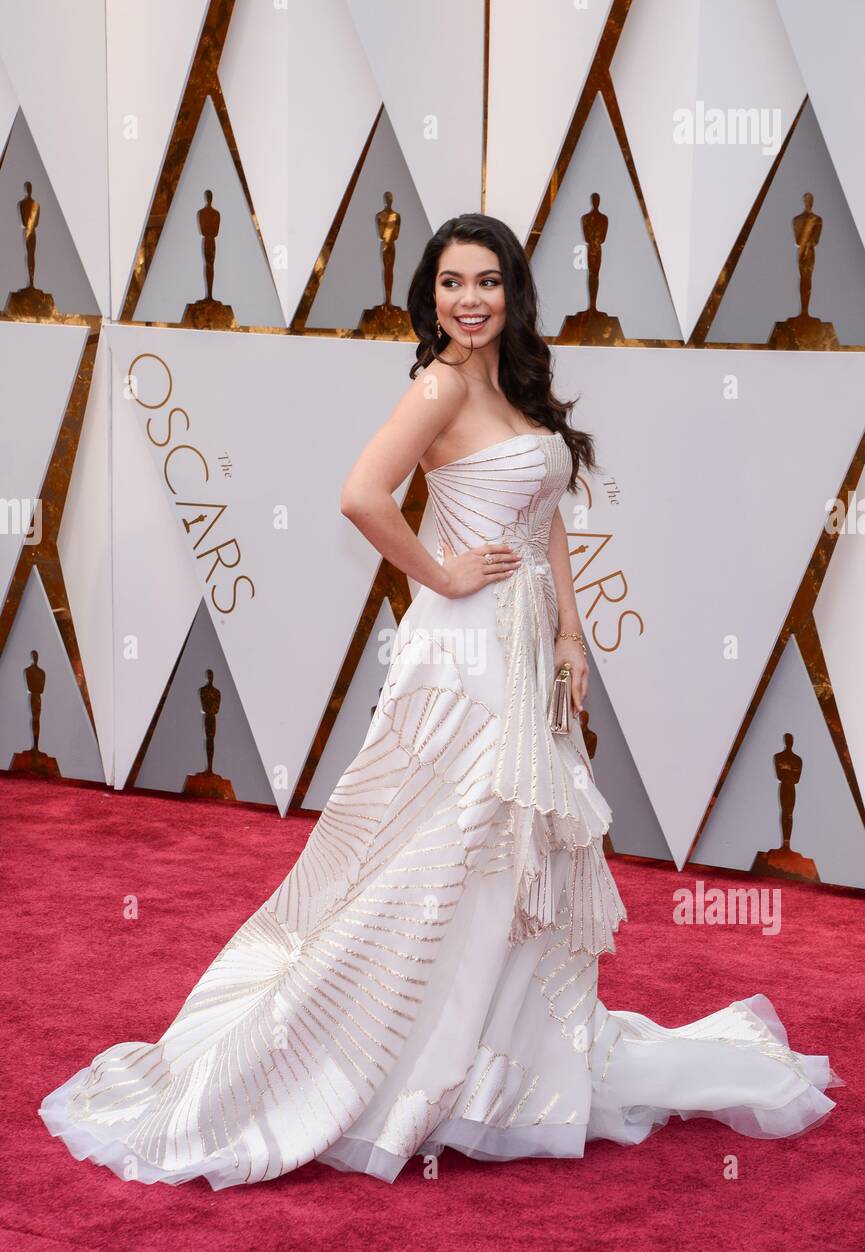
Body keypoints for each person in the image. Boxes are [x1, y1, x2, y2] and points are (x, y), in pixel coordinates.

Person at [38, 213, 843, 1189]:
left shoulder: (518, 392)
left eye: (487, 281)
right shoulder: (438, 385)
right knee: (441, 849)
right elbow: (360, 494)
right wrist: (443, 573)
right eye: (452, 283)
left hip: (525, 652)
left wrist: (570, 633)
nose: (470, 299)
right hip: (460, 656)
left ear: (511, 293)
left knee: (509, 858)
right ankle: (389, 1064)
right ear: (431, 295)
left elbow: (546, 523)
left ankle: (493, 1071)